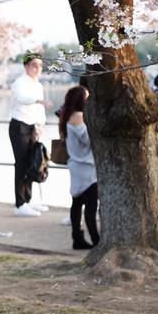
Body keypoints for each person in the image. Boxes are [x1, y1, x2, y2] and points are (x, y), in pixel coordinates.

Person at [9, 54, 49, 217]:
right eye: (34, 65)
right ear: (26, 66)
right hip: (20, 126)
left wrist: (41, 124)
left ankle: (29, 199)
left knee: (33, 162)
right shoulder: (20, 82)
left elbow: (40, 109)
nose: (38, 68)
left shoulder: (38, 85)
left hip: (33, 127)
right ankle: (20, 203)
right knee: (21, 164)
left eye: (40, 65)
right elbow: (21, 98)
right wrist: (37, 101)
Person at [59, 86, 98, 249]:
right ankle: (96, 239)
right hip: (86, 167)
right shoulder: (79, 117)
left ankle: (77, 237)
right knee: (90, 207)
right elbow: (88, 140)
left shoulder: (66, 115)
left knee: (76, 203)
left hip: (76, 165)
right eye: (87, 97)